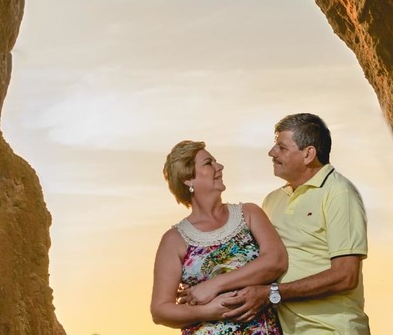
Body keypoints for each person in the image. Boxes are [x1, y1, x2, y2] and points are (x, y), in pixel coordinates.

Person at [211, 113, 371, 333]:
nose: (271, 152)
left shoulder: (339, 193)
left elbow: (345, 276)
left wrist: (271, 293)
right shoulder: (272, 200)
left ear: (308, 154)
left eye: (282, 147)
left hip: (332, 329)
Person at [151, 140, 288, 334]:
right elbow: (160, 310)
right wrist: (207, 311)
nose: (220, 166)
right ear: (188, 179)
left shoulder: (249, 214)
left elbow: (276, 260)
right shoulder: (174, 240)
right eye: (209, 163)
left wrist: (213, 285)